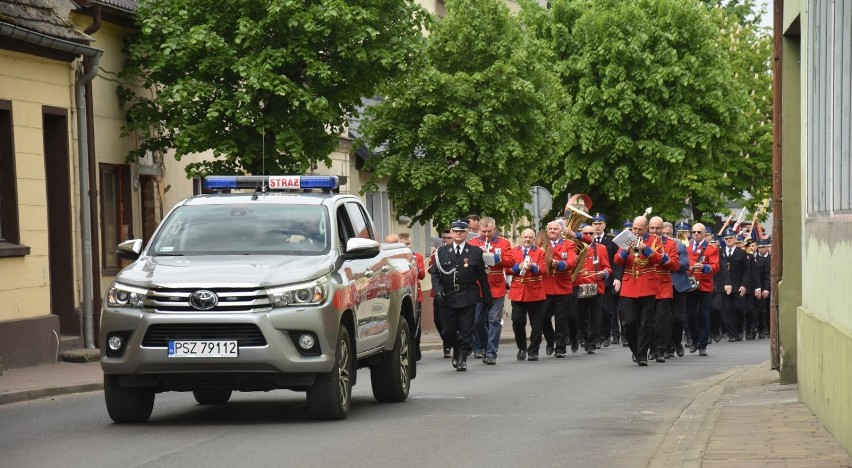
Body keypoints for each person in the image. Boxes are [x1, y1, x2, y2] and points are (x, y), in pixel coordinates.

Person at [430, 219, 492, 371]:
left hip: (467, 294)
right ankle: (456, 348)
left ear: (466, 233)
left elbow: (482, 277)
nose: (458, 233)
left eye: (462, 231)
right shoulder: (441, 252)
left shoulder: (475, 252)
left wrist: (487, 297)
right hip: (448, 295)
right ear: (451, 232)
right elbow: (435, 274)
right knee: (447, 331)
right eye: (455, 231)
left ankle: (463, 356)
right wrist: (438, 291)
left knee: (466, 329)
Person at [613, 216, 663, 366]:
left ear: (646, 229)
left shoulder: (654, 240)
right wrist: (626, 250)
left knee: (646, 323)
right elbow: (617, 260)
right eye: (634, 228)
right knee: (629, 322)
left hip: (647, 285)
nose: (636, 231)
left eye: (639, 229)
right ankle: (636, 349)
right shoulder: (626, 238)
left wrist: (645, 249)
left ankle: (642, 355)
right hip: (629, 285)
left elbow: (659, 260)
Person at [467, 216, 513, 365]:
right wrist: (477, 255)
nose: (486, 234)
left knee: (493, 320)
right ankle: (487, 346)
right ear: (479, 230)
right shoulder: (473, 243)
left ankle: (492, 352)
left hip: (496, 285)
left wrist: (493, 256)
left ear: (495, 229)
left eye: (489, 231)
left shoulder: (503, 242)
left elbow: (511, 261)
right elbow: (466, 262)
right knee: (477, 322)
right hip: (479, 286)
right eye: (483, 231)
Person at [507, 228, 547, 361]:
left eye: (530, 237)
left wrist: (532, 267)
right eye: (525, 237)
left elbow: (543, 269)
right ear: (521, 237)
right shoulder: (514, 252)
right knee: (518, 322)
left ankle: (534, 351)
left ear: (534, 239)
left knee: (537, 325)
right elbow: (507, 269)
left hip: (535, 292)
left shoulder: (540, 252)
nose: (528, 239)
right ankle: (522, 348)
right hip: (518, 292)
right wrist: (519, 267)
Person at [539, 221, 577, 357]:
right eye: (550, 229)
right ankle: (550, 340)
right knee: (543, 317)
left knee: (561, 319)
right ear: (547, 231)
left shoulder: (568, 244)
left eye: (555, 229)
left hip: (562, 287)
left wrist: (559, 264)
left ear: (560, 231)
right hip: (546, 287)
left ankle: (560, 348)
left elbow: (572, 262)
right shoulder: (541, 244)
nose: (552, 231)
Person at [574, 224, 611, 354]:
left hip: (596, 286)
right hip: (580, 286)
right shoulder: (575, 248)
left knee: (595, 317)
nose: (588, 236)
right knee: (580, 316)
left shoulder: (601, 248)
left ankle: (591, 343)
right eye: (586, 233)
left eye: (591, 233)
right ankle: (585, 337)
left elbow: (607, 267)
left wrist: (604, 273)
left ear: (595, 235)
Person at [685, 223, 721, 357]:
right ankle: (694, 339)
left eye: (699, 232)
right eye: (694, 232)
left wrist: (704, 267)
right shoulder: (687, 246)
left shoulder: (711, 248)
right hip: (690, 285)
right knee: (690, 315)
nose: (696, 234)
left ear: (705, 233)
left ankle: (702, 344)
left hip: (705, 285)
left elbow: (715, 266)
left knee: (704, 315)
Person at [647, 216, 679, 363]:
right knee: (649, 320)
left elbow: (675, 266)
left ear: (662, 229)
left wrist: (665, 259)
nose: (654, 231)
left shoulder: (671, 244)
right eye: (652, 228)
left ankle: (660, 349)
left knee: (661, 319)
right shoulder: (643, 242)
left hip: (663, 284)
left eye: (657, 228)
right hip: (647, 284)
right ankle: (652, 348)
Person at [591, 213, 620, 348]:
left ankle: (606, 334)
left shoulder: (611, 240)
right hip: (591, 279)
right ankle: (596, 336)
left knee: (606, 310)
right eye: (595, 224)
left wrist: (615, 278)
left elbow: (616, 261)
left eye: (600, 224)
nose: (597, 226)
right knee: (594, 311)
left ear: (604, 225)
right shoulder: (588, 240)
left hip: (606, 280)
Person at [664, 221, 692, 358]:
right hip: (661, 286)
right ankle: (667, 346)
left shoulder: (679, 244)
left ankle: (676, 341)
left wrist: (671, 263)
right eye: (663, 234)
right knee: (664, 318)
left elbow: (686, 264)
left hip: (677, 286)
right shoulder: (654, 245)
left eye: (668, 234)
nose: (666, 237)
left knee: (678, 318)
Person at [720, 229, 752, 342]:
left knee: (738, 309)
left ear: (735, 239)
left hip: (738, 286)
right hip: (724, 287)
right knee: (727, 311)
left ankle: (739, 330)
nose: (728, 240)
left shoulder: (742, 253)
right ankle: (731, 334)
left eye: (731, 238)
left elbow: (747, 270)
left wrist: (744, 285)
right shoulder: (721, 252)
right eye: (726, 238)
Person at [398, 232, 425, 360]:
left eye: (408, 244)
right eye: (404, 244)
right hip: (401, 295)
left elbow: (422, 274)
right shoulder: (396, 258)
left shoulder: (417, 256)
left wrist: (415, 268)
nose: (407, 246)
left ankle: (415, 349)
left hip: (415, 295)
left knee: (416, 324)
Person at [430, 229, 455, 358]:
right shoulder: (437, 252)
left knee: (451, 320)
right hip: (439, 291)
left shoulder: (457, 252)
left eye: (448, 238)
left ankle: (449, 344)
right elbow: (431, 270)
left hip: (453, 291)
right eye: (444, 238)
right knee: (438, 320)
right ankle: (448, 340)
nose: (446, 240)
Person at [754, 238, 772, 338]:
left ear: (767, 247)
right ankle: (761, 329)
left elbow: (769, 276)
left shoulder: (771, 258)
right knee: (760, 310)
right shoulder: (755, 259)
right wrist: (758, 288)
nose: (761, 249)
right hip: (758, 287)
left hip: (768, 287)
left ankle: (770, 329)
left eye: (763, 247)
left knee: (769, 310)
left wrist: (766, 289)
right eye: (759, 247)